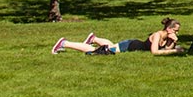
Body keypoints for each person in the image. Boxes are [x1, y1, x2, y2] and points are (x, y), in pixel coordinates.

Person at [51, 17, 184, 56]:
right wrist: (175, 51)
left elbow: (165, 49)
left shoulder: (167, 37)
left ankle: (94, 39)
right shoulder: (157, 35)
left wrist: (173, 43)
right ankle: (64, 43)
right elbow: (155, 52)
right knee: (99, 51)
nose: (177, 33)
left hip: (128, 45)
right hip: (128, 46)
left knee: (110, 45)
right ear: (168, 29)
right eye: (176, 31)